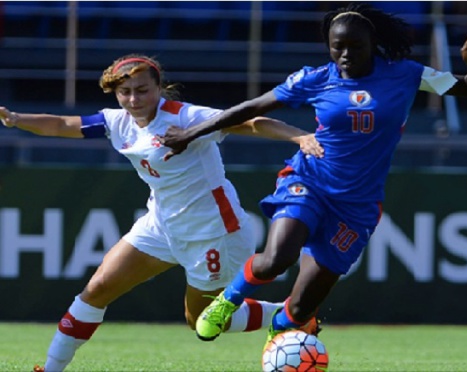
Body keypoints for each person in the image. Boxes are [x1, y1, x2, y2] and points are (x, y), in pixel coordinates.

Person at [159, 2, 467, 347]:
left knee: (303, 306)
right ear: (328, 45)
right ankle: (227, 301)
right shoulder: (314, 78)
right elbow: (250, 108)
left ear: (373, 42)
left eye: (355, 46)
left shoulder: (407, 74)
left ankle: (282, 333)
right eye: (338, 47)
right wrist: (190, 133)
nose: (346, 54)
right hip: (309, 180)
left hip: (356, 204)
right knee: (277, 258)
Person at [0, 54, 324, 372]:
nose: (133, 98)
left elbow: (250, 123)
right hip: (160, 225)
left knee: (201, 322)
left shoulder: (186, 117)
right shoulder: (117, 122)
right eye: (124, 92)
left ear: (159, 87)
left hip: (213, 233)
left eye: (142, 90)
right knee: (96, 289)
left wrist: (298, 136)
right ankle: (51, 369)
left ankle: (290, 315)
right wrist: (15, 118)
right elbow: (61, 124)